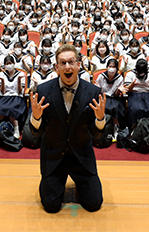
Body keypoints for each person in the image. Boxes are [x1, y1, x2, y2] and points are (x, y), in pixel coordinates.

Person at [27, 44, 107, 214]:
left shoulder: (93, 92)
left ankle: (81, 185)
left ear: (79, 64)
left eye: (71, 62)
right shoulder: (42, 90)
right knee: (51, 206)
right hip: (54, 157)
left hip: (81, 157)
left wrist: (100, 119)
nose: (68, 67)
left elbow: (97, 136)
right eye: (63, 63)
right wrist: (36, 117)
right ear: (56, 67)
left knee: (94, 204)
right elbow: (35, 133)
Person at [123, 58, 149, 128]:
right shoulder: (130, 74)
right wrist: (133, 84)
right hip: (134, 94)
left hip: (147, 94)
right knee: (136, 108)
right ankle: (134, 128)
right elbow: (127, 89)